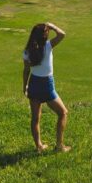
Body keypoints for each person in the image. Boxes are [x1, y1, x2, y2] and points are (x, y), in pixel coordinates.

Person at [22, 22, 71, 153]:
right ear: (44, 35)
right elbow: (62, 34)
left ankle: (39, 146)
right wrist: (53, 26)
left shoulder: (27, 51)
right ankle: (59, 146)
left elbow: (26, 71)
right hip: (46, 85)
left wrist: (25, 86)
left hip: (33, 84)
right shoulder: (48, 46)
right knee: (63, 113)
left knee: (35, 118)